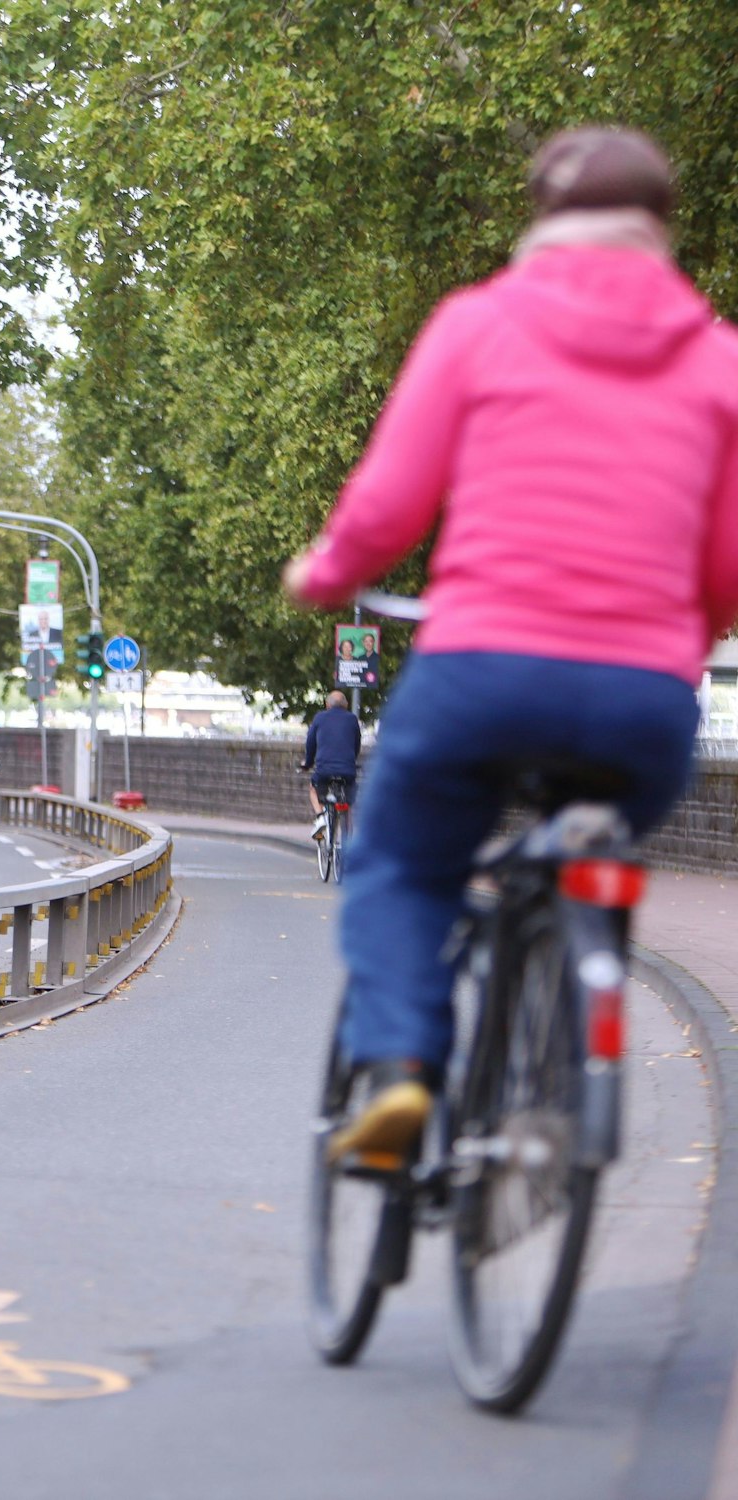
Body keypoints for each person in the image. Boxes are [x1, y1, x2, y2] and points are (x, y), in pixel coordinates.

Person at [282, 127, 738, 1161]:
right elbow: (726, 566)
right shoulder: (720, 364)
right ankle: (566, 1041)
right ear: (660, 228)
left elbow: (388, 504)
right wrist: (674, 633)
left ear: (540, 216)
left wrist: (322, 575)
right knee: (599, 829)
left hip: (478, 671)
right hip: (642, 703)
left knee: (399, 862)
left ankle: (399, 1070)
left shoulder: (476, 327)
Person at [299, 690, 361, 839]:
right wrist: (351, 761)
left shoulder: (319, 718)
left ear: (327, 705)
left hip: (324, 770)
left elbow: (310, 744)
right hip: (348, 771)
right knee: (347, 803)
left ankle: (320, 817)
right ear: (346, 705)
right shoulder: (352, 719)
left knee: (314, 788)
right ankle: (347, 844)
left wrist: (307, 763)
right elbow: (356, 745)